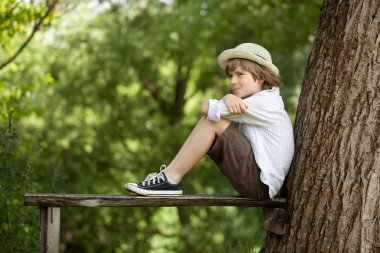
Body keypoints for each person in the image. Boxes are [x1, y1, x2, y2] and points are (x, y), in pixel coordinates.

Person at [124, 43, 294, 234]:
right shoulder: (260, 101)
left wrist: (227, 98)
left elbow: (206, 108)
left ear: (261, 77)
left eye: (240, 75)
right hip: (260, 182)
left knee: (211, 122)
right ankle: (168, 178)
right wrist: (228, 98)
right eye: (230, 76)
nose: (233, 81)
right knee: (215, 120)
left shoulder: (263, 102)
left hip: (259, 184)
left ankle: (170, 180)